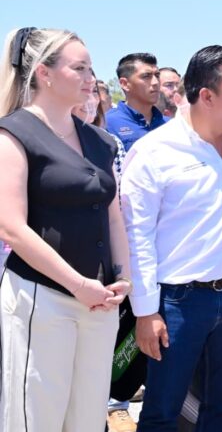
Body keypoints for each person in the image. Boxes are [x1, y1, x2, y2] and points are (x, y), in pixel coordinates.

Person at [121, 44, 222, 431]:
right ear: (206, 96)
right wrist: (145, 312)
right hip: (178, 303)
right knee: (162, 411)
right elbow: (137, 236)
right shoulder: (155, 151)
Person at [0, 27, 131, 431]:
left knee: (87, 420)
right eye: (80, 68)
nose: (92, 78)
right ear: (44, 73)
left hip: (100, 302)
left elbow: (113, 215)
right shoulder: (14, 133)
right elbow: (11, 227)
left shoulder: (100, 141)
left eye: (91, 68)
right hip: (42, 298)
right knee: (35, 419)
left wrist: (124, 277)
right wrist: (77, 284)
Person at [105, 52, 167, 152]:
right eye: (146, 76)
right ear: (125, 84)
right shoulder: (107, 124)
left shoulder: (170, 124)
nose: (155, 82)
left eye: (157, 75)